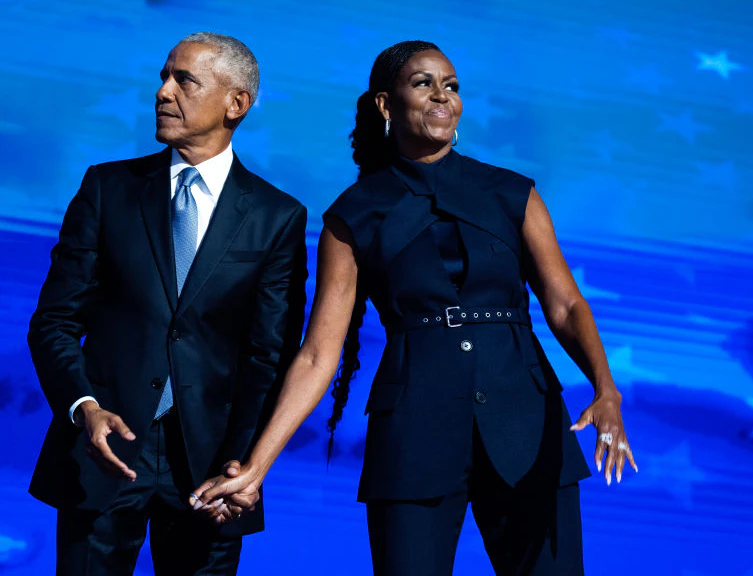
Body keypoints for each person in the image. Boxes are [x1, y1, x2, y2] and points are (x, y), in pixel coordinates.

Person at [194, 40, 637, 575]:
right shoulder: (353, 215)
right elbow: (317, 355)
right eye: (424, 83)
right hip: (413, 437)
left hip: (528, 424)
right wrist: (257, 467)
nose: (442, 96)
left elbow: (565, 305)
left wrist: (605, 389)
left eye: (451, 86)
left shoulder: (511, 192)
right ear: (386, 104)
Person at [27, 32, 307, 575]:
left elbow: (269, 355)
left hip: (212, 474)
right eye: (163, 76)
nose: (162, 92)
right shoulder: (107, 189)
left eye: (184, 80)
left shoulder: (278, 217)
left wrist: (246, 465)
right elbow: (55, 323)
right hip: (101, 460)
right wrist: (84, 407)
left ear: (236, 103)